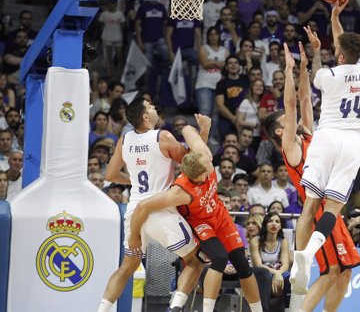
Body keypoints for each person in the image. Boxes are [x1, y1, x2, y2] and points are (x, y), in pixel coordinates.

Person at [127, 116, 264, 312]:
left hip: (220, 216)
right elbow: (142, 207)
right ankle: (207, 309)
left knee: (243, 265)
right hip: (201, 224)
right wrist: (134, 236)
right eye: (206, 170)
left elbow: (187, 131)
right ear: (197, 176)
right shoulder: (180, 192)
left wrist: (203, 127)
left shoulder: (203, 157)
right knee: (219, 258)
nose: (211, 168)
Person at [265, 40, 360, 312]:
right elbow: (293, 102)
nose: (291, 118)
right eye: (285, 120)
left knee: (345, 271)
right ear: (279, 132)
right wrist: (288, 70)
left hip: (330, 208)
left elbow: (305, 99)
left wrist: (306, 66)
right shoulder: (290, 146)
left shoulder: (306, 134)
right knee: (332, 271)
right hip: (318, 211)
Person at [289, 1, 360, 293]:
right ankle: (310, 252)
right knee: (333, 208)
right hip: (352, 143)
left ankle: (301, 261)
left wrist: (314, 51)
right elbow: (343, 45)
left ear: (338, 55)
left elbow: (315, 76)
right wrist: (336, 18)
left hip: (326, 139)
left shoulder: (331, 75)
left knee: (310, 205)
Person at [98, 99, 203, 312]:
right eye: (151, 107)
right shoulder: (162, 136)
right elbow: (194, 164)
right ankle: (175, 308)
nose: (155, 107)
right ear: (146, 117)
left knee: (127, 267)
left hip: (135, 207)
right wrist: (202, 134)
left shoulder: (124, 139)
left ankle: (102, 310)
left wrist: (133, 181)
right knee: (194, 261)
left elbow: (110, 174)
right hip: (160, 208)